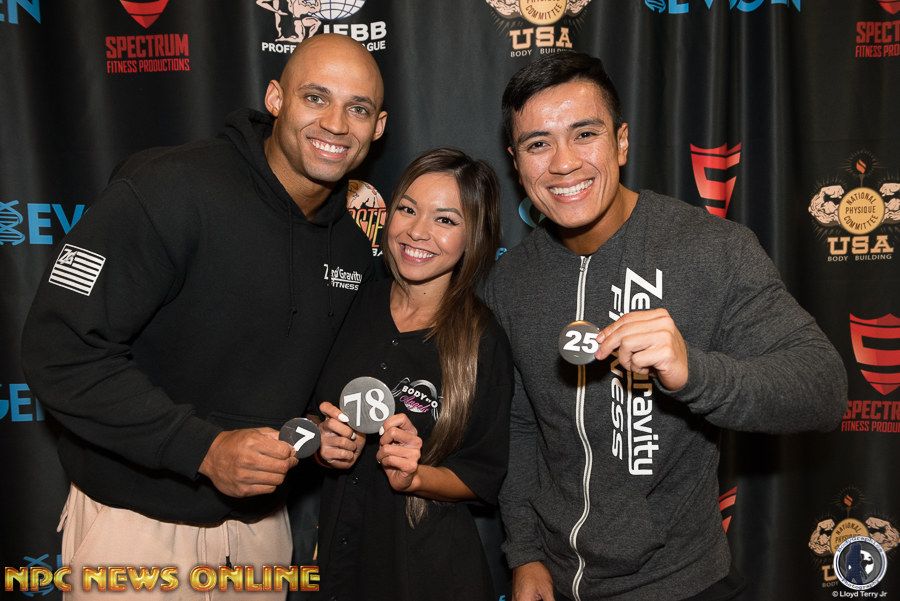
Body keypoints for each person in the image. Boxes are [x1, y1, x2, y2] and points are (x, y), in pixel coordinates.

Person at [20, 34, 386, 599]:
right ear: (275, 98)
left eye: (357, 108)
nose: (336, 124)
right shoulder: (168, 189)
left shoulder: (352, 248)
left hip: (262, 534)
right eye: (315, 97)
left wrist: (328, 428)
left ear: (378, 127)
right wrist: (204, 449)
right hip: (137, 528)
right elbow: (62, 350)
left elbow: (310, 386)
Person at [483, 51, 847, 601]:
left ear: (621, 142)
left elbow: (823, 388)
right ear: (516, 161)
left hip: (680, 584)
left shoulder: (711, 250)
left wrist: (691, 372)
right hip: (554, 584)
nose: (563, 163)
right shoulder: (509, 283)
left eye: (585, 134)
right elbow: (520, 427)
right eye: (539, 144)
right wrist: (526, 553)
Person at [310, 148, 513, 601]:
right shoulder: (351, 303)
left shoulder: (483, 342)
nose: (418, 231)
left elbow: (483, 476)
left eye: (445, 220)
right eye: (407, 209)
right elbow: (307, 412)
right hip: (336, 565)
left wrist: (416, 476)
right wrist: (322, 442)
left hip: (427, 574)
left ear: (473, 237)